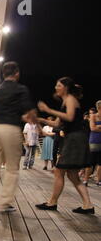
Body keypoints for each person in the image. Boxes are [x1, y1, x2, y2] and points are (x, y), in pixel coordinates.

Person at [0, 62, 36, 213]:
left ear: (3, 74)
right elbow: (29, 113)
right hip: (10, 127)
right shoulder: (21, 89)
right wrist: (37, 123)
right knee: (12, 168)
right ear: (17, 73)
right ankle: (4, 202)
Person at [36, 77, 94, 214]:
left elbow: (69, 117)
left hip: (74, 139)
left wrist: (48, 110)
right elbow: (57, 124)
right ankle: (88, 205)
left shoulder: (70, 99)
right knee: (73, 175)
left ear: (66, 87)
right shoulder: (66, 102)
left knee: (59, 171)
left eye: (58, 85)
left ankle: (52, 202)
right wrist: (41, 119)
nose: (56, 87)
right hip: (73, 139)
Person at [84, 101, 101, 187]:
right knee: (90, 162)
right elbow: (92, 128)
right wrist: (97, 127)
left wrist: (98, 127)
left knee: (100, 163)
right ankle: (86, 180)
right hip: (94, 141)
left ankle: (98, 181)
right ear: (99, 107)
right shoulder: (93, 116)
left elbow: (96, 128)